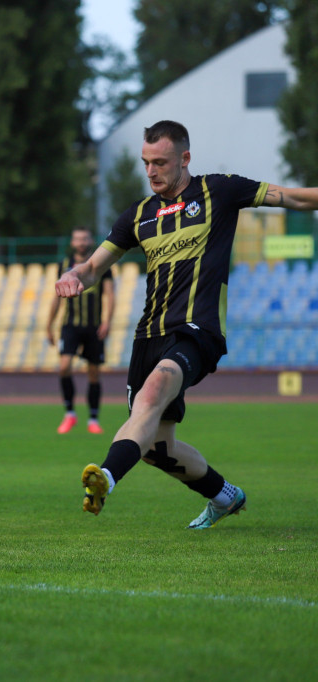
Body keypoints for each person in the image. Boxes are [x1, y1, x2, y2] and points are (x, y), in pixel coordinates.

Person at [56, 119, 318, 529]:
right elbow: (92, 268)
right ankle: (224, 495)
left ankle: (105, 477)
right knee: (157, 447)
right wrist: (74, 276)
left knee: (153, 393)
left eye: (160, 162)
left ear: (185, 158)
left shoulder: (220, 190)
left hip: (199, 329)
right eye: (146, 163)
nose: (151, 171)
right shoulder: (138, 215)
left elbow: (293, 198)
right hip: (149, 335)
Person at [45, 227, 114, 435]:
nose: (81, 242)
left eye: (85, 238)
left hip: (94, 326)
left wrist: (107, 321)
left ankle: (93, 418)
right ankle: (70, 414)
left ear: (91, 240)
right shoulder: (64, 266)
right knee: (64, 367)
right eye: (78, 239)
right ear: (73, 242)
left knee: (93, 373)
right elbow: (57, 297)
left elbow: (110, 295)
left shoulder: (101, 264)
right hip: (70, 326)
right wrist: (49, 325)